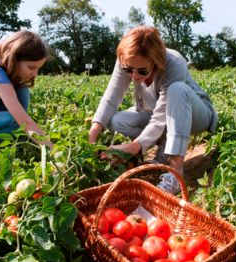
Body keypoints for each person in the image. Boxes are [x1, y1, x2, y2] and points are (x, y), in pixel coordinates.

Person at [89, 26, 218, 194]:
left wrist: (136, 145)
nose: (134, 76)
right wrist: (93, 132)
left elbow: (160, 118)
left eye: (142, 71)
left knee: (177, 89)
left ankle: (175, 173)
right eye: (128, 70)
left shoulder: (174, 62)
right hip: (160, 116)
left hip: (195, 116)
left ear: (156, 61)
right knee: (116, 121)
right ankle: (160, 151)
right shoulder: (127, 59)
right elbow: (111, 96)